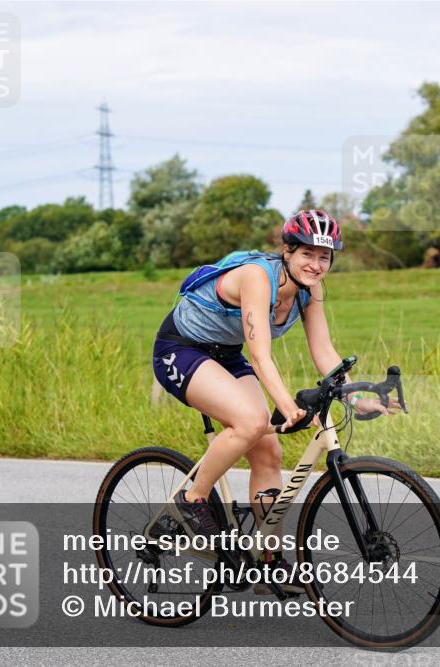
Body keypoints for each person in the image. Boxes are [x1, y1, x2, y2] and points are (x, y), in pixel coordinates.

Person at [151, 209, 395, 593]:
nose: (316, 265)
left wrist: (355, 396)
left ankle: (269, 562)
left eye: (324, 257)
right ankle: (192, 499)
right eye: (307, 255)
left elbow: (325, 351)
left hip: (225, 355)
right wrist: (288, 405)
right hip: (180, 350)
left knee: (269, 452)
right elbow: (261, 354)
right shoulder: (256, 278)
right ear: (286, 251)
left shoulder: (310, 291)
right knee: (251, 421)